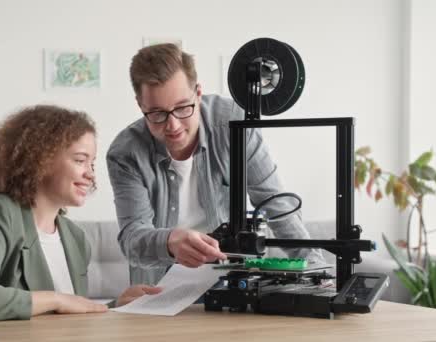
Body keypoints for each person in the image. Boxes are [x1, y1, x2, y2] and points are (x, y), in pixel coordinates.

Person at [107, 44, 324, 285]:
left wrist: (314, 267)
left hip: (229, 281)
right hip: (157, 288)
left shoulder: (233, 124)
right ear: (140, 105)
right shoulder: (126, 153)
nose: (173, 126)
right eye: (157, 114)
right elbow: (132, 238)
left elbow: (274, 200)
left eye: (182, 108)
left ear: (198, 93)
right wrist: (170, 242)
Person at [0, 105, 160, 322]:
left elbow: (65, 316)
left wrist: (115, 306)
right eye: (80, 160)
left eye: (92, 163)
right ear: (41, 159)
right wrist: (58, 299)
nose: (90, 174)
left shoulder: (76, 238)